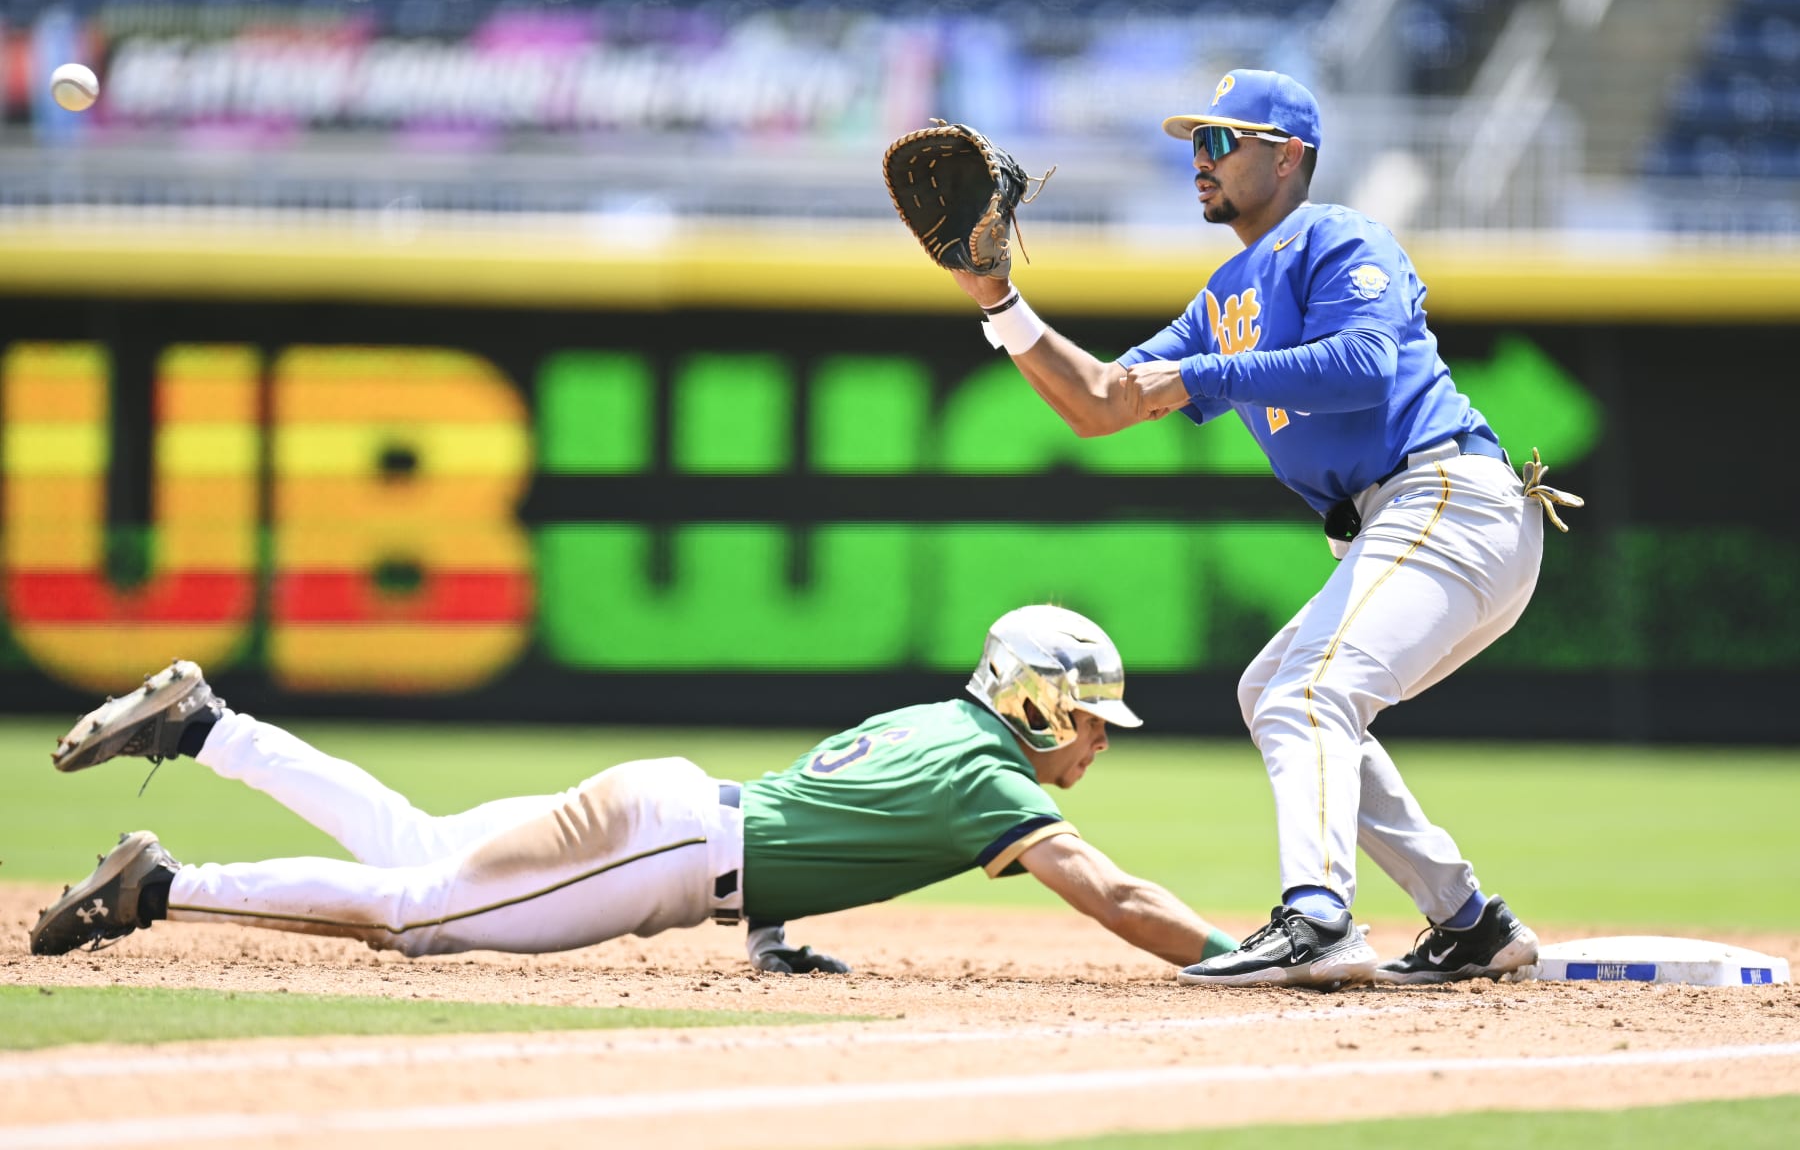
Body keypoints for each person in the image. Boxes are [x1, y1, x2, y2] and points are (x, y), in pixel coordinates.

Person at [947, 69, 1583, 991]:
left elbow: (1365, 362)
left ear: (1288, 156)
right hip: (1402, 521)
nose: (1198, 160)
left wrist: (1208, 374)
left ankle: (1320, 917)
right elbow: (1100, 404)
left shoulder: (1340, 238)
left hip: (1449, 496)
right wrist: (998, 301)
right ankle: (1469, 923)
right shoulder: (1223, 296)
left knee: (1308, 696)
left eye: (1221, 141)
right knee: (1275, 689)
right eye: (1193, 144)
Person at [30, 605, 1240, 976]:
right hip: (667, 850)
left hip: (676, 816)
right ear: (1036, 702)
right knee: (420, 916)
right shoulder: (987, 775)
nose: (1097, 742)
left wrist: (768, 933)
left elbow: (814, 814)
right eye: (1089, 718)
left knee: (416, 841)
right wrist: (1244, 954)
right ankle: (167, 887)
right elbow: (1114, 894)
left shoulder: (935, 724)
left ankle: (210, 727)